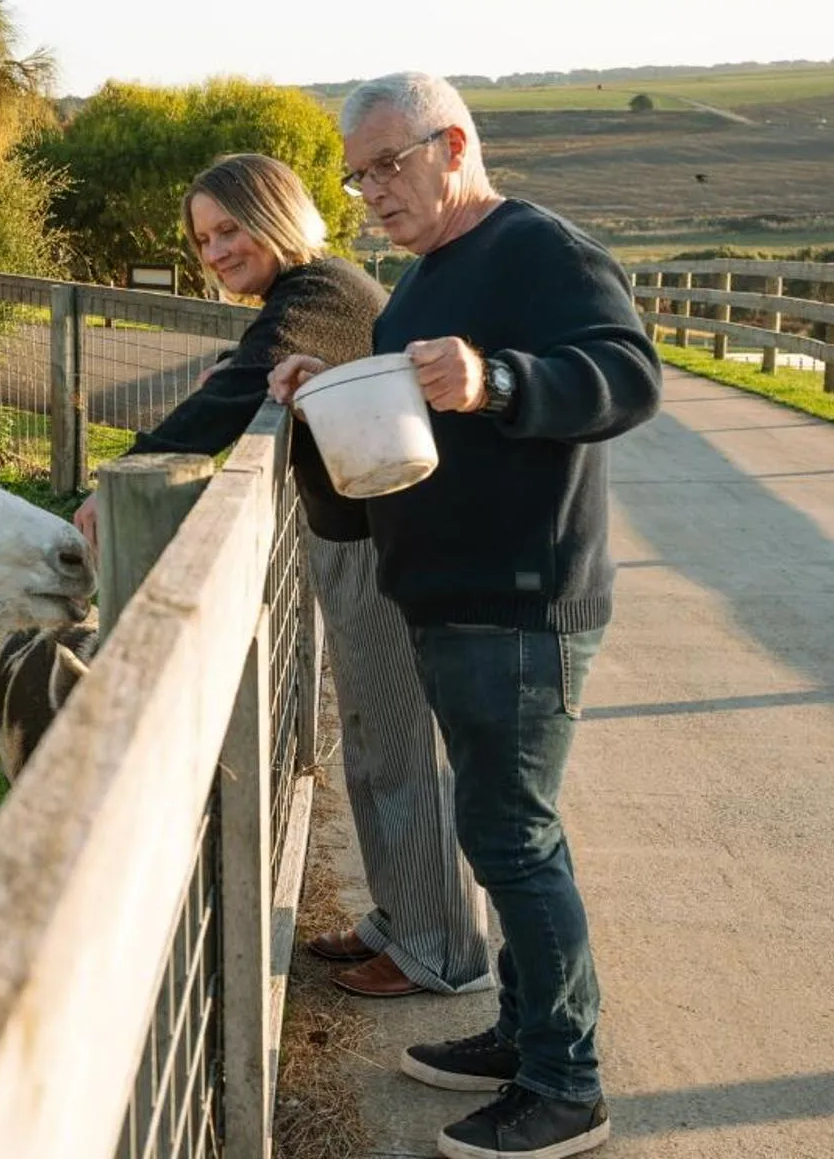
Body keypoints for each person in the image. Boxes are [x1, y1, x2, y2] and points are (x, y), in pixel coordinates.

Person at [270, 73, 661, 1159]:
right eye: (355, 177)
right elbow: (412, 393)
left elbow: (627, 377)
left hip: (521, 600)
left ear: (452, 145)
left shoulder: (539, 248)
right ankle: (522, 1034)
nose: (369, 192)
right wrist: (331, 378)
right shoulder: (428, 274)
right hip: (452, 599)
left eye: (385, 165)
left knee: (511, 837)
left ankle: (565, 1085)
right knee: (503, 833)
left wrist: (496, 380)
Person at [75, 152, 495, 1002]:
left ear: (273, 215)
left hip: (383, 547)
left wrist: (119, 479)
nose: (215, 250)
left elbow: (239, 387)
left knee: (396, 743)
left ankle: (442, 950)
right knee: (377, 740)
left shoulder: (317, 293)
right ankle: (402, 917)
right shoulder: (305, 298)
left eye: (229, 227)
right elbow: (260, 372)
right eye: (201, 239)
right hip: (360, 539)